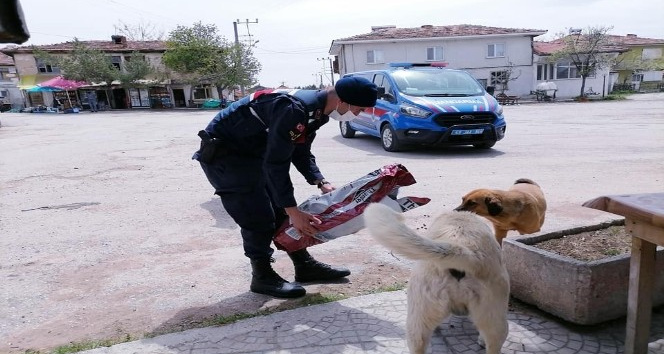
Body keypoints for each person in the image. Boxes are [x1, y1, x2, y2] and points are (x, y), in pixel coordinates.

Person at [193, 77, 378, 298]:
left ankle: (304, 266)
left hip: (253, 154)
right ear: (341, 100)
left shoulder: (316, 112)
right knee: (258, 216)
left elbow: (299, 151)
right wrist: (293, 211)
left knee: (281, 211)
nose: (357, 115)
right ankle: (261, 276)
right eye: (357, 109)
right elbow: (276, 164)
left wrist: (321, 182)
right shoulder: (293, 109)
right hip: (227, 157)